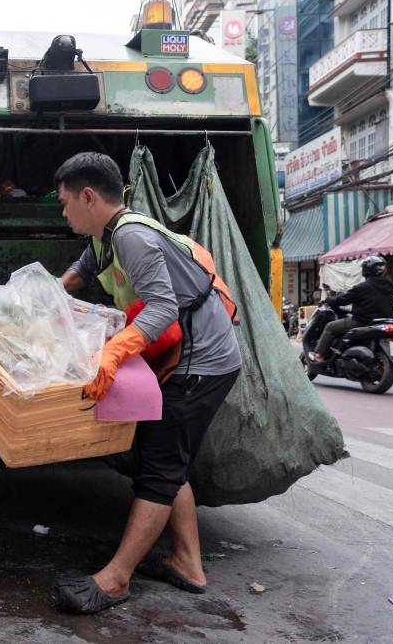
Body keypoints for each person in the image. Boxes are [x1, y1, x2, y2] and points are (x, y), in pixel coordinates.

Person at [51, 152, 241, 614]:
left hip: (201, 364)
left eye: (64, 202)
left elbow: (162, 309)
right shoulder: (104, 236)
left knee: (158, 468)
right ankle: (187, 563)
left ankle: (115, 580)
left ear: (89, 196)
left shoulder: (132, 235)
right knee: (167, 461)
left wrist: (112, 354)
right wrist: (33, 306)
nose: (62, 212)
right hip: (188, 359)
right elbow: (75, 278)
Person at [312, 256, 393, 362]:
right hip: (383, 323)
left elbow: (343, 299)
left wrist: (328, 299)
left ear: (366, 269)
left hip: (363, 322)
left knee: (330, 327)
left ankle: (319, 355)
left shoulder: (364, 287)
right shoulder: (390, 287)